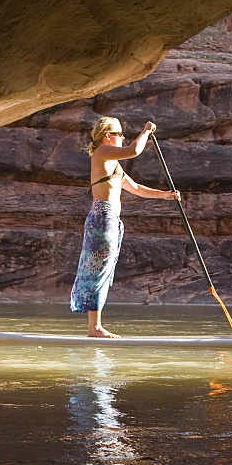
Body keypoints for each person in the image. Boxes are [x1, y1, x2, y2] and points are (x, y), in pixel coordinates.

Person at [70, 116, 181, 337]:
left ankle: (95, 326)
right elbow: (134, 151)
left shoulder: (113, 164)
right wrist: (146, 132)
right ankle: (95, 328)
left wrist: (166, 196)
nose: (123, 137)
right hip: (102, 218)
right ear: (107, 136)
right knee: (98, 269)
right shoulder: (101, 152)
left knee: (103, 269)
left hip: (110, 220)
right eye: (120, 133)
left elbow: (137, 188)